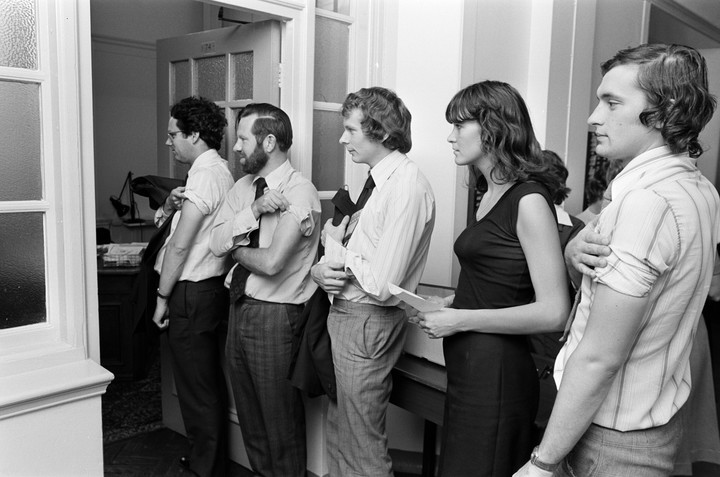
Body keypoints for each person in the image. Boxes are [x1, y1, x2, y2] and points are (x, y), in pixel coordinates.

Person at [514, 43, 720, 477]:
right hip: (645, 425)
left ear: (665, 112)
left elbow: (599, 358)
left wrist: (542, 462)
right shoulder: (698, 188)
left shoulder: (647, 202)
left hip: (613, 443)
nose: (593, 117)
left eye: (611, 102)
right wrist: (573, 255)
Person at [414, 81, 571, 477]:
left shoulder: (530, 199)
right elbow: (500, 284)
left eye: (459, 126)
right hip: (470, 365)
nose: (450, 137)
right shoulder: (487, 192)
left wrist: (460, 319)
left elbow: (554, 311)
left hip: (498, 373)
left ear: (493, 126)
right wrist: (452, 304)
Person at [310, 86, 435, 476]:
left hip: (366, 319)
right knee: (343, 433)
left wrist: (336, 250)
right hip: (352, 317)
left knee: (361, 444)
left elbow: (381, 284)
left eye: (351, 129)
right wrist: (323, 267)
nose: (343, 138)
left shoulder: (405, 186)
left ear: (379, 130)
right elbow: (361, 258)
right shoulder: (379, 182)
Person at [209, 103, 320, 477]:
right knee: (252, 422)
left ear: (269, 141)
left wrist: (236, 251)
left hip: (276, 316)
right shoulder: (244, 189)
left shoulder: (301, 192)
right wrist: (254, 211)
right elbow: (214, 242)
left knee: (280, 426)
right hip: (238, 306)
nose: (236, 147)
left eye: (242, 138)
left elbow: (272, 263)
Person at [151, 96, 235, 477]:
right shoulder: (217, 170)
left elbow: (181, 245)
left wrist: (161, 297)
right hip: (206, 290)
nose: (169, 142)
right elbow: (176, 230)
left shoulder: (205, 174)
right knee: (201, 382)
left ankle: (207, 469)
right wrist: (169, 207)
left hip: (192, 291)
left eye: (173, 135)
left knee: (197, 387)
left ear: (195, 134)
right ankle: (206, 458)